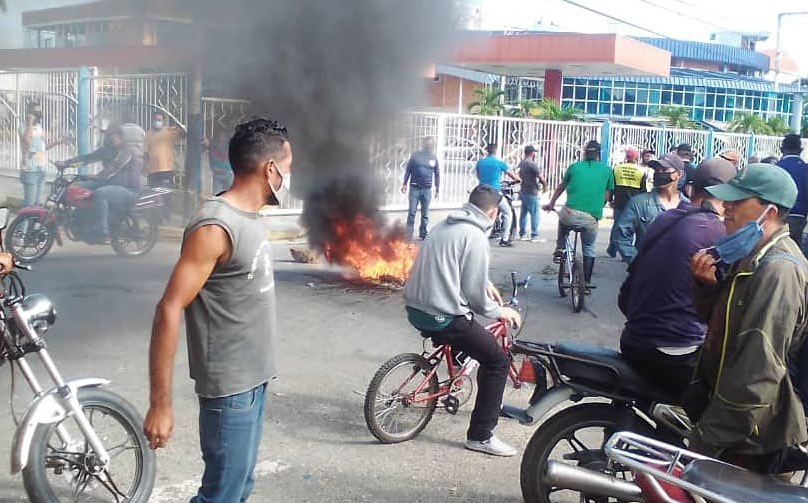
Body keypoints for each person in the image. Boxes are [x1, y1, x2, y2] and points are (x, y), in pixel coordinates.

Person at [144, 118, 291, 501]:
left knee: (239, 487)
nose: (290, 176)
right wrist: (160, 405)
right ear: (269, 169)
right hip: (231, 390)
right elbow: (169, 309)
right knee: (221, 495)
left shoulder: (250, 217)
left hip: (255, 380)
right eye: (288, 167)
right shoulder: (216, 226)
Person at [688, 164, 808, 473]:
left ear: (768, 212)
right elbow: (723, 329)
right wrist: (706, 287)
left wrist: (707, 439)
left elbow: (758, 370)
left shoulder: (778, 271)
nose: (725, 208)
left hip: (757, 436)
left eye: (737, 202)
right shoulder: (749, 256)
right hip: (737, 424)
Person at [404, 184, 521, 456]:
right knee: (497, 361)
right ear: (492, 213)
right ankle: (481, 436)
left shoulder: (444, 225)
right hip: (443, 316)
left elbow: (452, 266)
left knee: (471, 340)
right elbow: (477, 300)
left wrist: (485, 282)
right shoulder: (476, 236)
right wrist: (499, 311)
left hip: (415, 308)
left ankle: (479, 395)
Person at [618, 157, 735, 398]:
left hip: (633, 339)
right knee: (729, 397)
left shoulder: (665, 218)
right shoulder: (717, 232)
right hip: (674, 351)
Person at [543, 140, 613, 291]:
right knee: (589, 247)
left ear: (585, 153)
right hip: (591, 218)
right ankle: (586, 283)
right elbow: (607, 196)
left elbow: (561, 187)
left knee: (562, 217)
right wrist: (595, 209)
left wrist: (551, 203)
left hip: (570, 214)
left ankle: (560, 247)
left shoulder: (574, 167)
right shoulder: (607, 170)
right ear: (598, 154)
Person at [58, 124, 142, 243]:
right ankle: (80, 219)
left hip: (127, 189)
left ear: (120, 137)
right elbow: (88, 158)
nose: (107, 138)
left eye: (110, 135)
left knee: (99, 194)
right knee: (76, 188)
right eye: (106, 135)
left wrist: (97, 176)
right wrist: (66, 163)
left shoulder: (127, 151)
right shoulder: (106, 150)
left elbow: (115, 167)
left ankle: (102, 232)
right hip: (108, 183)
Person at [615, 153, 686, 264]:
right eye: (657, 170)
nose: (659, 174)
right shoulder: (639, 203)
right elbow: (621, 236)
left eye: (664, 170)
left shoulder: (688, 207)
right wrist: (637, 263)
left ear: (678, 174)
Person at [475, 143, 520, 247]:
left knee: (483, 215)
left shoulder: (480, 162)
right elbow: (513, 176)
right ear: (496, 151)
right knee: (508, 213)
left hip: (481, 191)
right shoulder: (500, 163)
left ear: (487, 151)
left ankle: (479, 237)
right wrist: (518, 179)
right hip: (494, 192)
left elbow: (478, 176)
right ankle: (504, 239)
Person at [607, 147, 647, 258]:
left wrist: (610, 199)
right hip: (634, 204)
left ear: (626, 157)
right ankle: (626, 253)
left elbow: (612, 187)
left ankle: (612, 249)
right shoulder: (641, 171)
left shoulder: (617, 169)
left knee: (617, 226)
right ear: (636, 158)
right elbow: (643, 190)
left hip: (619, 202)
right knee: (631, 227)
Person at [144, 112, 184, 221]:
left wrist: (179, 127)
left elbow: (182, 135)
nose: (157, 122)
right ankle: (157, 218)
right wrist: (144, 167)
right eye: (155, 119)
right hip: (153, 171)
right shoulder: (148, 134)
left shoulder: (169, 131)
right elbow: (146, 152)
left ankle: (167, 217)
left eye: (159, 120)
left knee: (167, 195)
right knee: (155, 195)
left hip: (166, 170)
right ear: (152, 121)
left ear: (163, 121)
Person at [401, 137, 440, 240]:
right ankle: (409, 234)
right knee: (412, 212)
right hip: (415, 188)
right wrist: (404, 184)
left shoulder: (434, 158)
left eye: (431, 144)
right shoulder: (415, 156)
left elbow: (437, 174)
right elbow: (408, 170)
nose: (430, 146)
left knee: (425, 213)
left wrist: (437, 189)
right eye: (428, 144)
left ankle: (423, 233)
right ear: (423, 144)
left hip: (427, 189)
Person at [777, 133, 808, 251]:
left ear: (781, 149)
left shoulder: (777, 168)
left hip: (780, 216)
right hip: (801, 218)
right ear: (800, 150)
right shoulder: (805, 169)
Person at [19, 102, 47, 207]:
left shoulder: (39, 127)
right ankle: (22, 223)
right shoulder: (23, 127)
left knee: (36, 204)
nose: (39, 114)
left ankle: (32, 223)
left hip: (41, 168)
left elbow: (42, 147)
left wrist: (59, 141)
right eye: (36, 112)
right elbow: (27, 140)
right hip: (30, 170)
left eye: (39, 111)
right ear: (29, 114)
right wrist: (30, 122)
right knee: (29, 204)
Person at [517, 145, 547, 242]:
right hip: (531, 191)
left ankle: (522, 234)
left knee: (524, 213)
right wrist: (545, 185)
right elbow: (541, 177)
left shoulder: (521, 163)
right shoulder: (532, 164)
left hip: (523, 190)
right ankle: (534, 235)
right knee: (535, 213)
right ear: (532, 153)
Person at [203, 128, 234, 195]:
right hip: (218, 175)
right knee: (218, 195)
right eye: (219, 136)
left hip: (228, 174)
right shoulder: (213, 146)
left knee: (229, 195)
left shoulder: (228, 147)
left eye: (223, 137)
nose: (221, 138)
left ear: (225, 138)